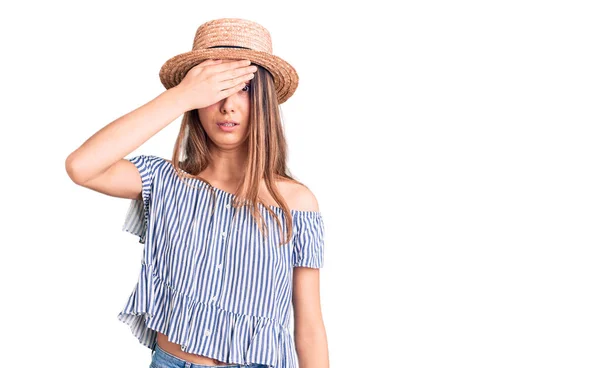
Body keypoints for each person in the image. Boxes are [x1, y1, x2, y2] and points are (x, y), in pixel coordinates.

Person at [65, 18, 329, 368]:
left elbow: (309, 325)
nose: (227, 105)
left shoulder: (295, 203)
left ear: (265, 102)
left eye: (244, 89)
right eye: (215, 89)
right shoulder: (164, 182)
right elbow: (81, 166)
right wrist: (181, 96)